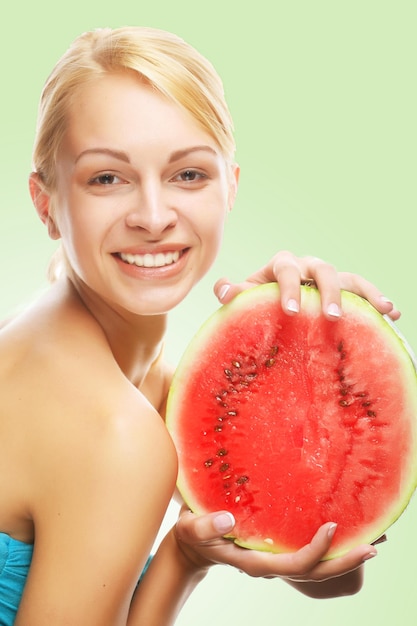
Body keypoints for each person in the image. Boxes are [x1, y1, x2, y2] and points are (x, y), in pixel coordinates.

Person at [0, 26, 399, 625]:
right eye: (107, 178)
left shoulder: (74, 340)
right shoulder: (111, 432)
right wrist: (183, 558)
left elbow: (331, 574)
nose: (154, 217)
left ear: (230, 187)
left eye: (188, 175)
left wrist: (302, 348)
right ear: (46, 203)